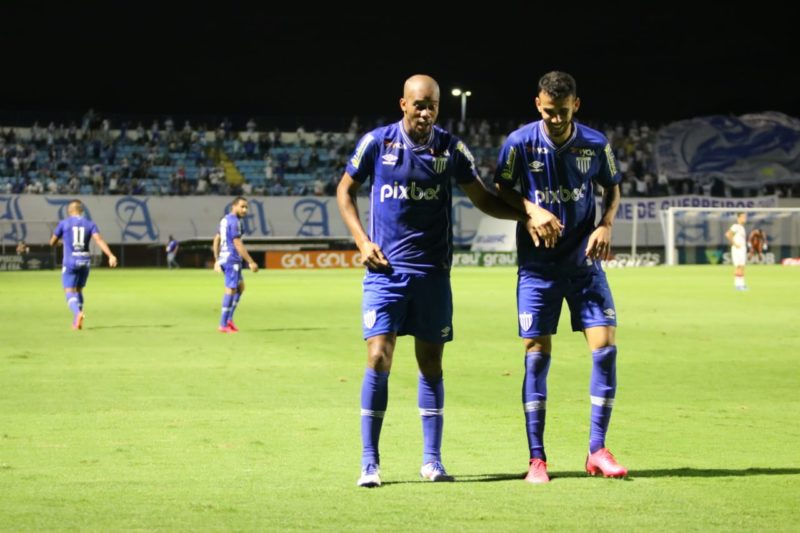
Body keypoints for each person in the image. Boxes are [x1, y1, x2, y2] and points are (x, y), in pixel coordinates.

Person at [337, 74, 529, 488]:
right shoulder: (377, 143)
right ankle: (370, 462)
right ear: (402, 104)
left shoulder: (451, 149)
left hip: (432, 275)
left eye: (432, 106)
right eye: (418, 104)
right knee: (378, 358)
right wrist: (361, 240)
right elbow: (345, 190)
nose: (425, 112)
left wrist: (528, 216)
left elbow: (483, 199)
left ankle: (432, 460)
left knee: (431, 364)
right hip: (385, 272)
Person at [493, 71, 627, 483]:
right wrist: (531, 209)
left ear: (576, 106)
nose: (555, 119)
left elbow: (613, 187)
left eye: (563, 112)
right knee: (537, 353)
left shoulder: (594, 143)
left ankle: (597, 450)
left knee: (605, 348)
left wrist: (605, 224)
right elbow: (501, 188)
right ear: (538, 104)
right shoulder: (519, 143)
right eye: (549, 111)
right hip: (537, 267)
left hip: (584, 265)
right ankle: (537, 459)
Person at [49, 199, 118, 329]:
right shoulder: (90, 224)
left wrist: (58, 243)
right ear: (81, 210)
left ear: (69, 211)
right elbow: (98, 239)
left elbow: (52, 242)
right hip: (85, 261)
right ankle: (77, 320)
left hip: (70, 261)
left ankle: (78, 313)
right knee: (79, 289)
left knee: (69, 291)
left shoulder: (64, 223)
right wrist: (110, 255)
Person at [212, 196, 259, 333]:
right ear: (234, 206)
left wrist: (217, 259)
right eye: (242, 206)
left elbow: (216, 239)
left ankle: (229, 320)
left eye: (246, 207)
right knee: (231, 290)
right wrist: (250, 262)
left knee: (240, 287)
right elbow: (237, 243)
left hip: (226, 258)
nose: (245, 210)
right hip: (232, 259)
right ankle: (223, 324)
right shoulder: (235, 222)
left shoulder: (225, 220)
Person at [725, 212, 748, 290]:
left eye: (745, 217)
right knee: (738, 266)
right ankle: (738, 285)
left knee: (742, 266)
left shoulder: (742, 227)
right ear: (739, 218)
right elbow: (728, 234)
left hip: (742, 249)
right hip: (737, 249)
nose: (745, 218)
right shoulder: (736, 226)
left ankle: (742, 284)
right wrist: (735, 244)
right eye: (743, 217)